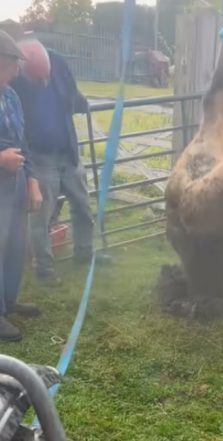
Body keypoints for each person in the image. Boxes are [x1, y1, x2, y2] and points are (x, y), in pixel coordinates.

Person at [12, 37, 111, 287]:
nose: (44, 82)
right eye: (37, 78)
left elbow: (71, 90)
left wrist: (80, 101)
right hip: (39, 157)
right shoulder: (13, 80)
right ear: (21, 67)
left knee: (82, 206)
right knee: (41, 217)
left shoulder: (57, 62)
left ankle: (84, 253)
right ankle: (44, 268)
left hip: (68, 150)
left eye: (46, 75)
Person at [0, 30, 42, 341]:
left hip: (15, 183)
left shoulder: (11, 96)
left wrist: (33, 181)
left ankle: (8, 300)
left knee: (14, 245)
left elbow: (24, 142)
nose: (18, 70)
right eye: (15, 63)